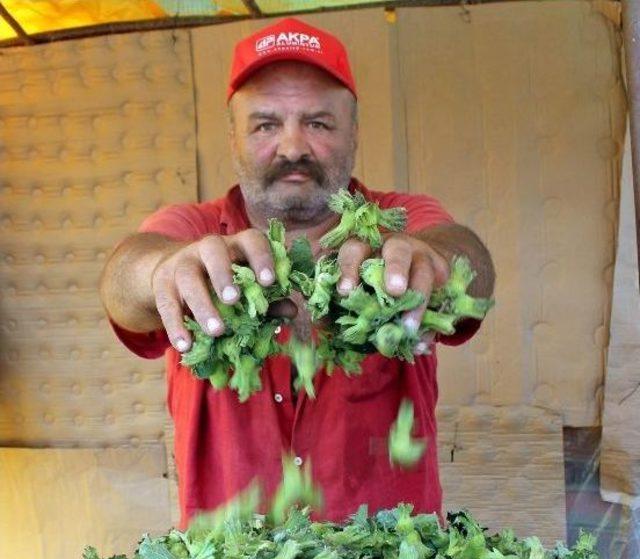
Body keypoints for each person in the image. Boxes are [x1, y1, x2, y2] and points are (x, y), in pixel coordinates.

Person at [100, 17, 495, 528]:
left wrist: (430, 264)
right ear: (233, 137)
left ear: (353, 131)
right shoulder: (193, 229)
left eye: (318, 123)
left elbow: (469, 262)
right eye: (265, 124)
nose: (292, 148)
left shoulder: (397, 219)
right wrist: (164, 271)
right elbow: (124, 278)